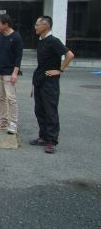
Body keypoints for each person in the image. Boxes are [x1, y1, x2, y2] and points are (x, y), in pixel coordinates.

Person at [31, 16, 75, 154]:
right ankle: (43, 137)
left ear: (46, 26)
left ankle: (51, 141)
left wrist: (60, 70)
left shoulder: (53, 41)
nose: (35, 27)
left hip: (50, 83)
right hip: (39, 80)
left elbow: (70, 55)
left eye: (37, 24)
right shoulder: (41, 41)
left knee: (50, 111)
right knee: (39, 110)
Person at [0, 14, 23, 135]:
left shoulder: (16, 37)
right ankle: (3, 121)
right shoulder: (0, 37)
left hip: (9, 72)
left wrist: (15, 73)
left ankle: (13, 123)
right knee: (0, 97)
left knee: (11, 98)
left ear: (6, 24)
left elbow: (19, 57)